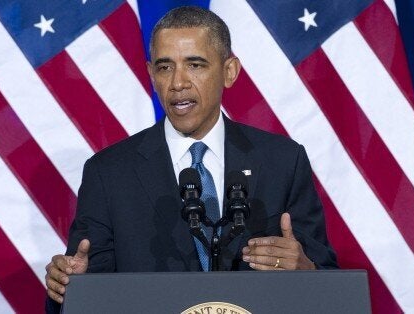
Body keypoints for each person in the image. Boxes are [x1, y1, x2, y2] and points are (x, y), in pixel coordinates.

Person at [45, 6, 337, 311]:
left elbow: (328, 284)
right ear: (151, 75)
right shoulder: (108, 173)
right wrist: (70, 285)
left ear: (229, 72)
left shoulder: (283, 161)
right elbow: (89, 291)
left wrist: (306, 270)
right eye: (164, 67)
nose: (177, 83)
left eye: (195, 65)